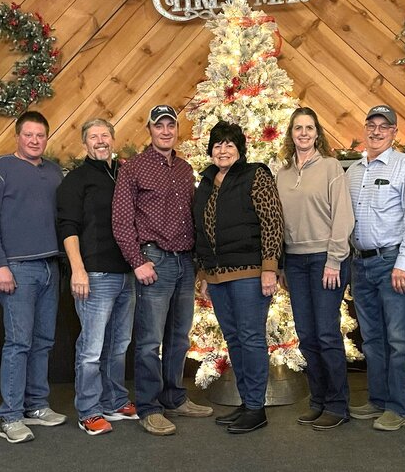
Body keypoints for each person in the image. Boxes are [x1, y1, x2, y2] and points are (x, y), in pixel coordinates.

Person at [112, 104, 213, 436]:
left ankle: (174, 397)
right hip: (154, 261)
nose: (166, 131)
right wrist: (137, 261)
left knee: (179, 338)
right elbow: (121, 221)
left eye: (171, 125)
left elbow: (193, 218)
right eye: (160, 126)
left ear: (176, 130)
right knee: (149, 341)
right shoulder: (134, 169)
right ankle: (149, 406)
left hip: (185, 261)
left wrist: (199, 266)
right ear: (150, 130)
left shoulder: (185, 169)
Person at [0, 111, 66, 444]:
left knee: (43, 342)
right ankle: (10, 416)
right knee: (18, 343)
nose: (34, 140)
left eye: (40, 135)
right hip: (16, 268)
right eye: (28, 134)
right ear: (18, 136)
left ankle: (36, 406)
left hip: (49, 266)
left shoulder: (55, 172)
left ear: (46, 138)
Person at [195, 121, 284, 434]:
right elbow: (201, 231)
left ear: (240, 149)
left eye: (229, 144)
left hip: (249, 273)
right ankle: (247, 403)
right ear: (211, 150)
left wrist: (270, 267)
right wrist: (204, 272)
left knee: (250, 338)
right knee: (234, 340)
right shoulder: (205, 183)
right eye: (217, 145)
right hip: (217, 276)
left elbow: (272, 220)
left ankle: (257, 408)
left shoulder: (254, 174)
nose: (223, 149)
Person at [346, 105, 405, 431]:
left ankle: (398, 407)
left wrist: (404, 264)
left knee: (399, 339)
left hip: (393, 263)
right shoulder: (352, 171)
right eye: (371, 125)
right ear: (365, 129)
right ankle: (377, 398)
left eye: (384, 127)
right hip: (360, 264)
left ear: (394, 132)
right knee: (372, 338)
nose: (376, 131)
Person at [56, 119, 137, 436]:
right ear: (85, 144)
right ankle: (88, 411)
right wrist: (78, 269)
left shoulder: (123, 175)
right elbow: (68, 227)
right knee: (91, 348)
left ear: (114, 140)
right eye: (93, 137)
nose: (100, 141)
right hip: (94, 273)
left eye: (105, 135)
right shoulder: (76, 181)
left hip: (126, 273)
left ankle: (114, 400)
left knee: (119, 345)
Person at [275, 107, 354, 430]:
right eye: (298, 128)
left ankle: (338, 404)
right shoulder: (281, 174)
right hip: (294, 262)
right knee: (306, 336)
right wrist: (279, 266)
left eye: (309, 128)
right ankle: (318, 400)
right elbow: (277, 223)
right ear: (291, 134)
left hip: (325, 260)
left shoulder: (332, 167)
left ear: (317, 133)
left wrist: (335, 260)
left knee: (326, 333)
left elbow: (343, 217)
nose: (304, 133)